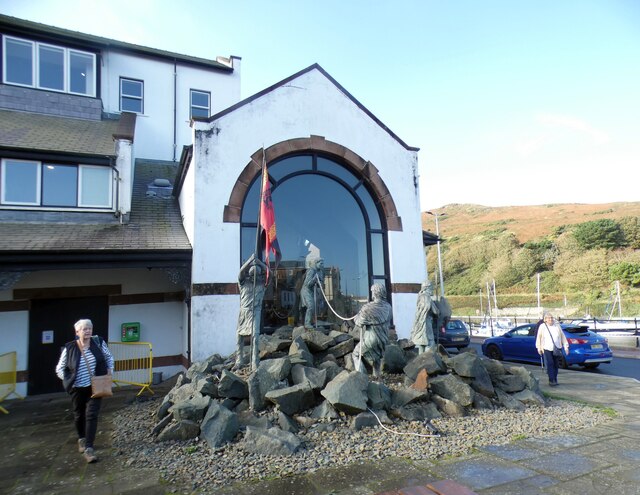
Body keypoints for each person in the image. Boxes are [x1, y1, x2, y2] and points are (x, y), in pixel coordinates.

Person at [55, 319, 114, 463]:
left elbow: (109, 357)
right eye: (84, 329)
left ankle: (89, 448)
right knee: (78, 415)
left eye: (89, 328)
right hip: (77, 388)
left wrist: (109, 373)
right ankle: (81, 438)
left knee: (91, 415)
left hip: (96, 387)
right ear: (77, 332)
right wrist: (69, 380)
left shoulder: (98, 343)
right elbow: (60, 369)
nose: (88, 331)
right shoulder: (70, 348)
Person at [352, 283, 392, 378]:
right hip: (383, 338)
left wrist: (357, 317)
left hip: (371, 338)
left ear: (374, 293)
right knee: (377, 357)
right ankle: (376, 377)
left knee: (356, 354)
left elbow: (359, 322)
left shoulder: (368, 308)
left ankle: (361, 377)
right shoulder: (388, 307)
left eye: (372, 292)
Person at [235, 254, 268, 369]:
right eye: (252, 270)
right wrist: (249, 261)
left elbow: (271, 274)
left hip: (255, 312)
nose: (254, 271)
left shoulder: (261, 284)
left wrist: (259, 262)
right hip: (244, 312)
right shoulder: (243, 283)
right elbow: (240, 273)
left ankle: (254, 361)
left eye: (256, 271)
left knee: (255, 336)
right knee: (239, 336)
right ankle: (239, 360)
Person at [535, 311, 569, 386]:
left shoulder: (557, 326)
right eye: (548, 318)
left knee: (556, 364)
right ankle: (551, 380)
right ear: (545, 319)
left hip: (557, 347)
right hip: (547, 348)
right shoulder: (542, 326)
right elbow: (539, 338)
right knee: (550, 363)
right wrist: (539, 348)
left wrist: (566, 346)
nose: (550, 319)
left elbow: (562, 336)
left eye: (551, 318)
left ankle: (555, 379)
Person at [410, 281, 439, 353]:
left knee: (421, 343)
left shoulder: (420, 297)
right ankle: (428, 360)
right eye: (431, 289)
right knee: (430, 342)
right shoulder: (427, 297)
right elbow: (435, 311)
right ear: (427, 288)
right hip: (426, 322)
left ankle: (420, 361)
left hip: (419, 322)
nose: (432, 290)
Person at [300, 257, 324, 328]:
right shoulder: (311, 271)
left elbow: (318, 284)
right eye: (321, 263)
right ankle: (307, 323)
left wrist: (319, 280)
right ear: (316, 263)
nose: (322, 265)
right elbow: (308, 283)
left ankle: (312, 322)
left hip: (310, 291)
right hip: (306, 291)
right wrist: (315, 279)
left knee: (313, 307)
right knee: (311, 306)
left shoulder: (317, 272)